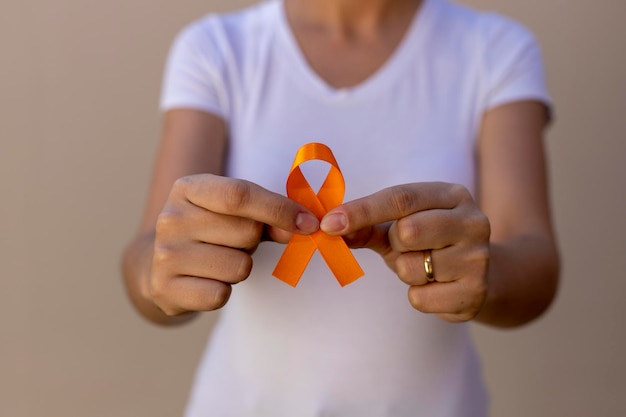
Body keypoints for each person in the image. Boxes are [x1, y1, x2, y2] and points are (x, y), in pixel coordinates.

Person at [122, 0, 560, 415]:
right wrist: (159, 273)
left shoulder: (496, 50)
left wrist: (481, 274)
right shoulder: (217, 49)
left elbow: (534, 262)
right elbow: (150, 252)